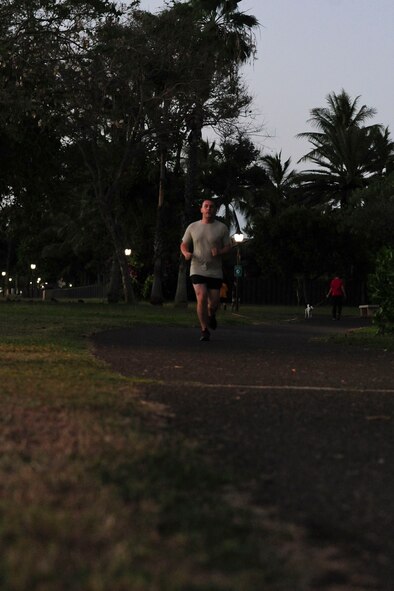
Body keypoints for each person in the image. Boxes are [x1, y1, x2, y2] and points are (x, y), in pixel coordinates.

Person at [180, 198, 232, 341]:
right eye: (206, 206)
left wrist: (220, 251)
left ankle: (211, 314)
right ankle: (204, 329)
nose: (209, 209)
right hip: (197, 268)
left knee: (214, 303)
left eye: (212, 207)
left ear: (215, 210)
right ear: (201, 209)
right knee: (201, 296)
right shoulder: (192, 227)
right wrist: (186, 253)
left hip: (215, 270)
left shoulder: (222, 228)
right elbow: (184, 244)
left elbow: (228, 246)